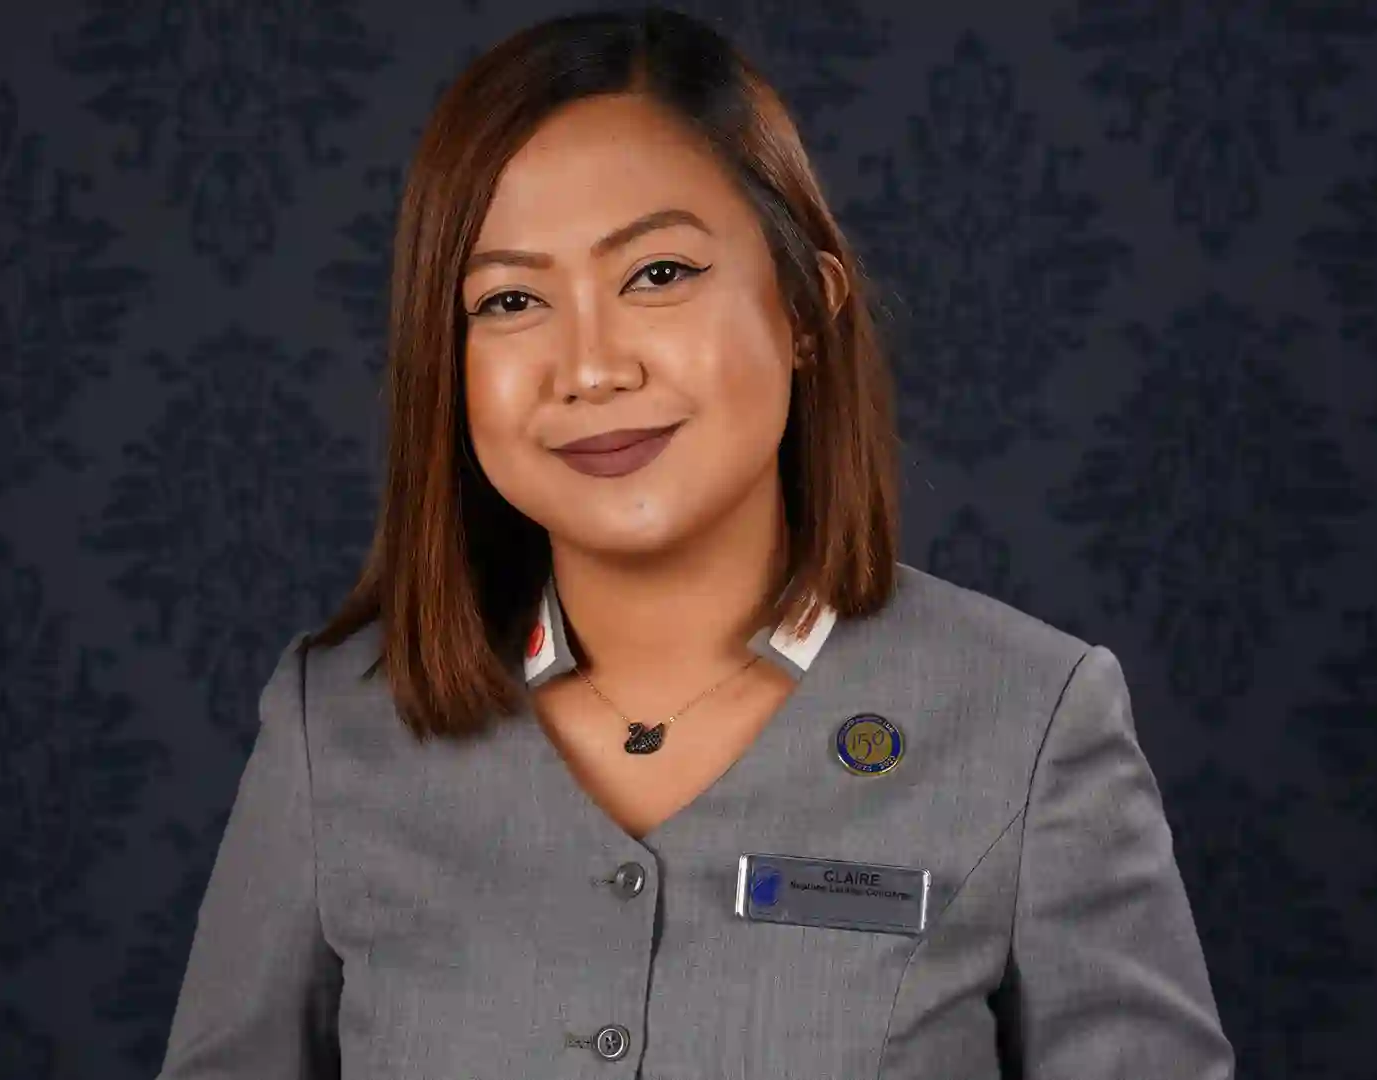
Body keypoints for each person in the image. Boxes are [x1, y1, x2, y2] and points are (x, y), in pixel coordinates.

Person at [155, 7, 1233, 1078]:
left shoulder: (1034, 723)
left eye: (658, 275)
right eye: (512, 299)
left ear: (808, 308)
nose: (591, 367)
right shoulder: (332, 727)